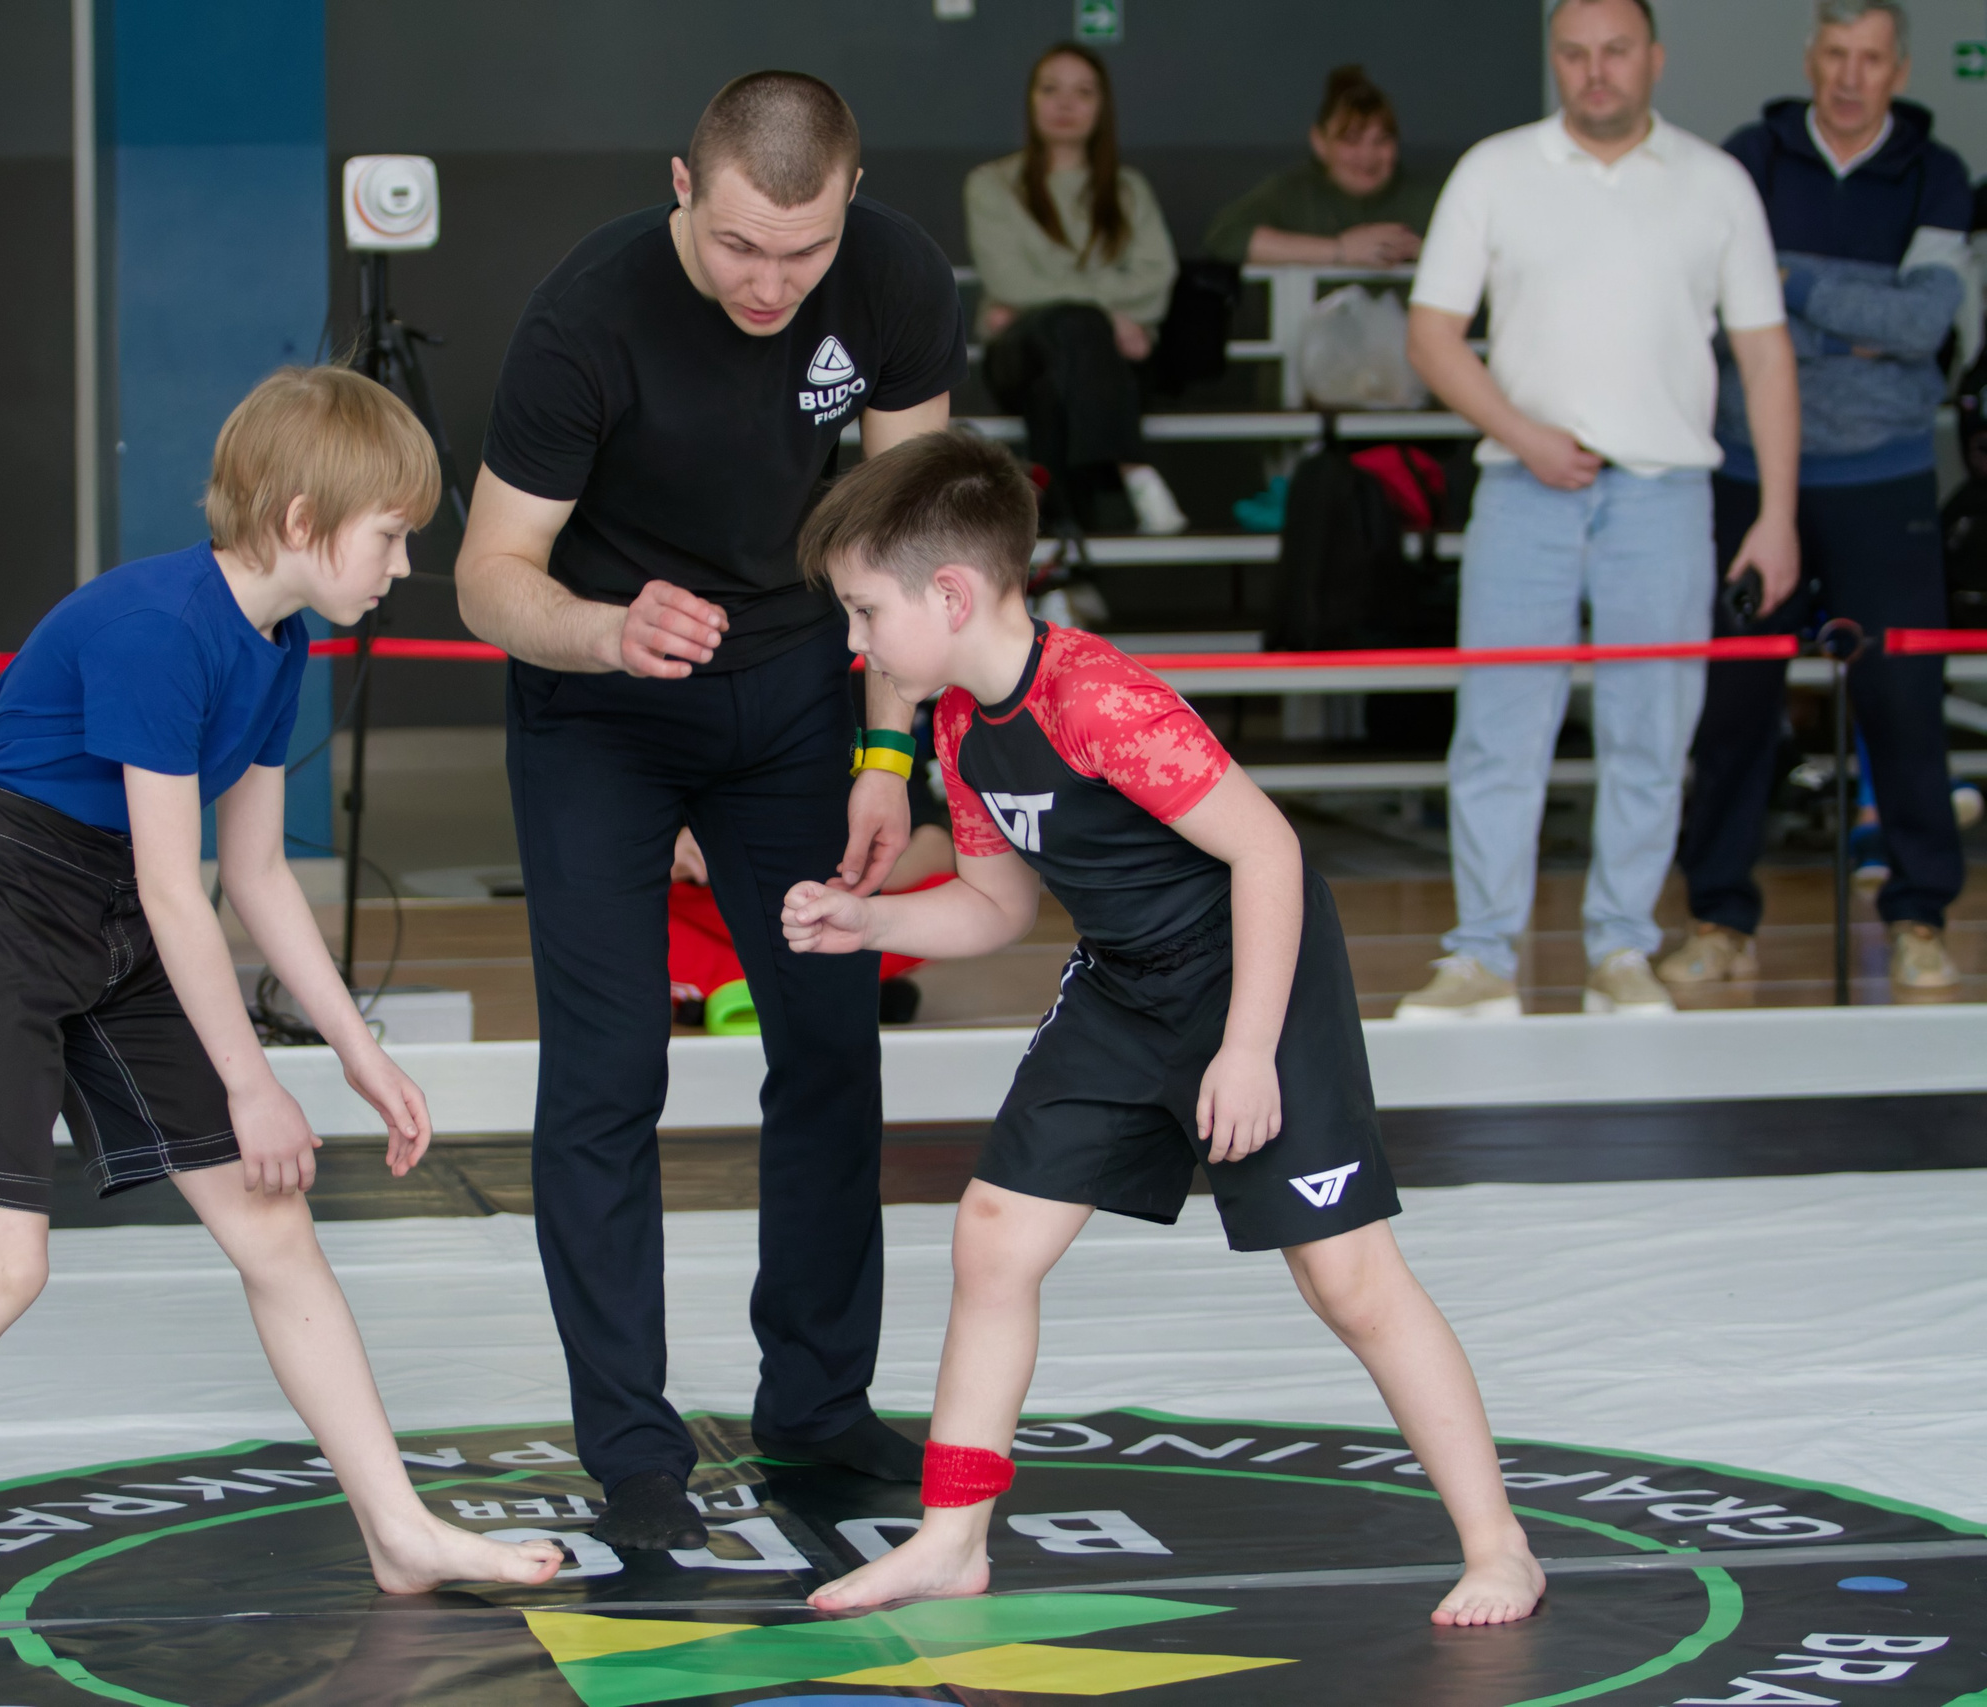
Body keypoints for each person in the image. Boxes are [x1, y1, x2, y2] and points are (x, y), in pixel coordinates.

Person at [0, 367, 563, 1650]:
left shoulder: (277, 644)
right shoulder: (156, 626)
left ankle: (396, 1528)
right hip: (1, 906)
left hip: (117, 919)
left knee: (275, 1226)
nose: (404, 564)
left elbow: (251, 873)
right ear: (305, 521)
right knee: (2, 1267)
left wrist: (359, 1052)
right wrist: (252, 1078)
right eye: (391, 536)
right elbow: (170, 879)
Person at [779, 429, 1542, 1627]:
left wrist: (1246, 1047)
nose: (855, 643)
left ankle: (1500, 1546)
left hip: (1255, 967)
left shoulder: (1096, 698)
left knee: (1345, 1278)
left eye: (865, 612)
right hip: (1128, 982)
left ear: (951, 592)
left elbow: (1268, 850)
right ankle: (951, 1539)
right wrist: (864, 921)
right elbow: (996, 906)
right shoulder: (961, 725)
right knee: (992, 1239)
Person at [454, 70, 968, 1552]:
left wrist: (889, 760)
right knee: (608, 1073)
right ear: (683, 186)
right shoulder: (584, 317)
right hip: (599, 700)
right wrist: (607, 631)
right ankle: (631, 1444)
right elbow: (491, 572)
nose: (772, 283)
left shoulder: (893, 281)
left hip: (797, 693)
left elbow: (905, 534)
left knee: (826, 1039)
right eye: (743, 244)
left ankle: (816, 1398)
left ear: (849, 204)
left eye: (802, 253)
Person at [1398, 0, 1800, 1020]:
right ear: (1555, 62)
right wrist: (1523, 431)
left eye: (1615, 50)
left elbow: (1763, 353)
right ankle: (1481, 956)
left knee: (1651, 732)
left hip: (1665, 492)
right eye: (1573, 53)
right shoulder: (1494, 170)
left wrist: (1778, 514)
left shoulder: (1716, 184)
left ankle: (1622, 947)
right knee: (1496, 731)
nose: (1595, 71)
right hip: (1523, 484)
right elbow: (1432, 334)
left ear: (1653, 58)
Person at [1667, 0, 1967, 995]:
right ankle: (1718, 916)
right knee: (1734, 706)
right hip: (1749, 479)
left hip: (1884, 475)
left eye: (1869, 59)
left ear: (1898, 68)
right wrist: (1853, 314)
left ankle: (1919, 915)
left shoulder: (1936, 172)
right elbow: (1716, 307)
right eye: (1834, 55)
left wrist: (1783, 284)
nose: (1848, 76)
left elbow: (1924, 323)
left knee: (1900, 699)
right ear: (1811, 58)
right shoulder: (1751, 155)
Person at [965, 44, 1185, 536]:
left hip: (1088, 368)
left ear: (1102, 107)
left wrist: (1047, 303)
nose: (1065, 104)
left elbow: (1156, 278)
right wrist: (1109, 316)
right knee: (1075, 327)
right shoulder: (991, 185)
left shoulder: (1129, 190)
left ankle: (1066, 562)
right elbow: (1008, 281)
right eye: (1051, 90)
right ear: (1031, 100)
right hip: (1018, 355)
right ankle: (1133, 469)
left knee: (1054, 386)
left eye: (1082, 93)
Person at [1204, 66, 1441, 268]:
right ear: (1319, 141)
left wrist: (1428, 252)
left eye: (1381, 141)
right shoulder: (1292, 191)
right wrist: (1340, 250)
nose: (1367, 156)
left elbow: (1473, 250)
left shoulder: (1428, 196)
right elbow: (1225, 238)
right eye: (1351, 140)